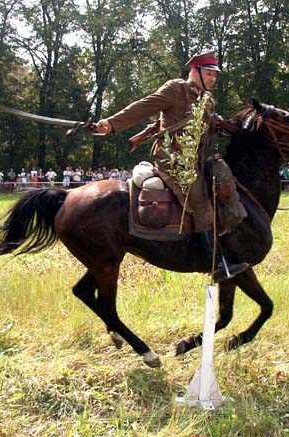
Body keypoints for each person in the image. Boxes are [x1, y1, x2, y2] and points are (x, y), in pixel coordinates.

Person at [95, 50, 248, 281]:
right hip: (172, 160)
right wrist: (111, 124)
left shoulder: (207, 100)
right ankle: (215, 264)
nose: (212, 79)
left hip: (195, 160)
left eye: (215, 75)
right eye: (208, 74)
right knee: (198, 197)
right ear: (194, 71)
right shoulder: (175, 89)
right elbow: (143, 106)